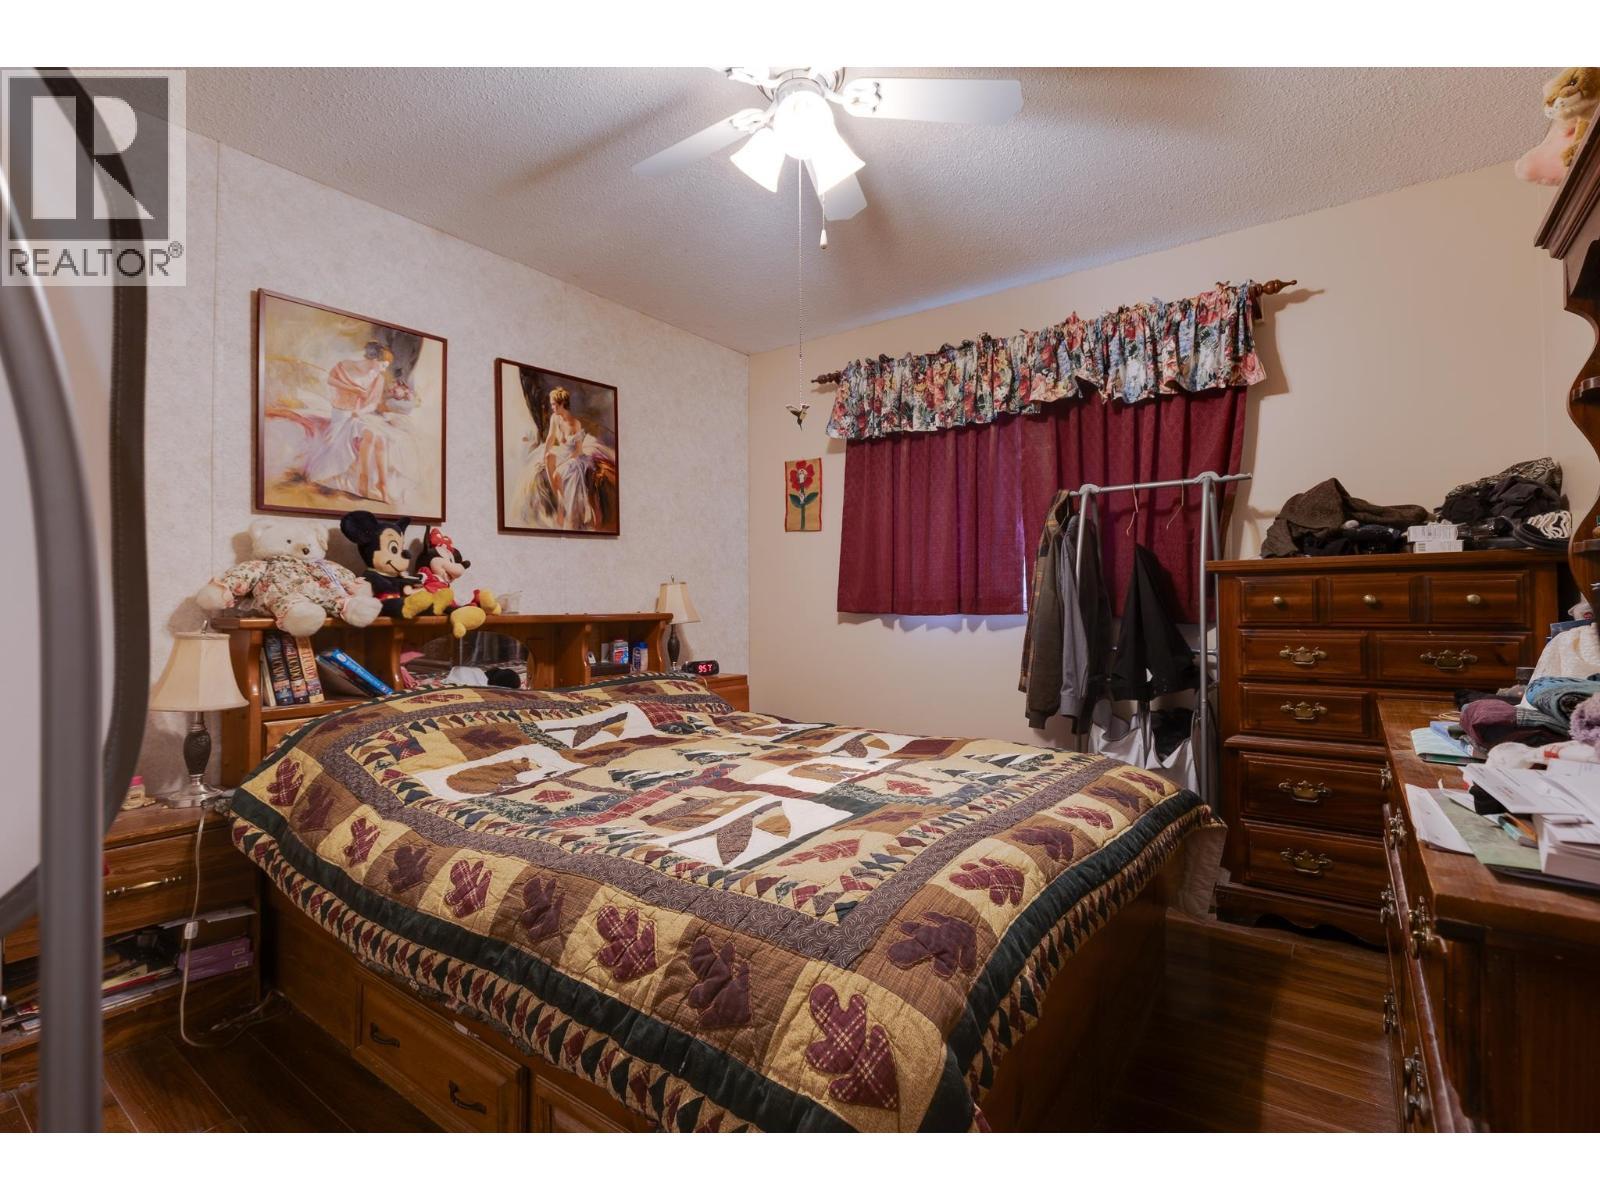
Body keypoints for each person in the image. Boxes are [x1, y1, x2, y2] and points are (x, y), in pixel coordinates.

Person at [303, 341, 394, 503]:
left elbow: (373, 404)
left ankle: (381, 484)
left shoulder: (378, 379)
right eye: (383, 365)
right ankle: (364, 480)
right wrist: (354, 390)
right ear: (374, 360)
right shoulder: (346, 366)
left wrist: (358, 412)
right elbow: (331, 380)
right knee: (369, 435)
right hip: (341, 414)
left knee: (378, 437)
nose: (384, 370)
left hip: (359, 415)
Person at [540, 386, 616, 530]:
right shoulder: (555, 418)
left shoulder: (575, 423)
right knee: (548, 457)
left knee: (558, 473)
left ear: (562, 404)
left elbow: (578, 450)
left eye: (554, 404)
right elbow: (550, 437)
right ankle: (559, 499)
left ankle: (564, 506)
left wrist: (565, 462)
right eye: (551, 404)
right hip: (563, 451)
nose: (552, 407)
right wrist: (545, 452)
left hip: (575, 455)